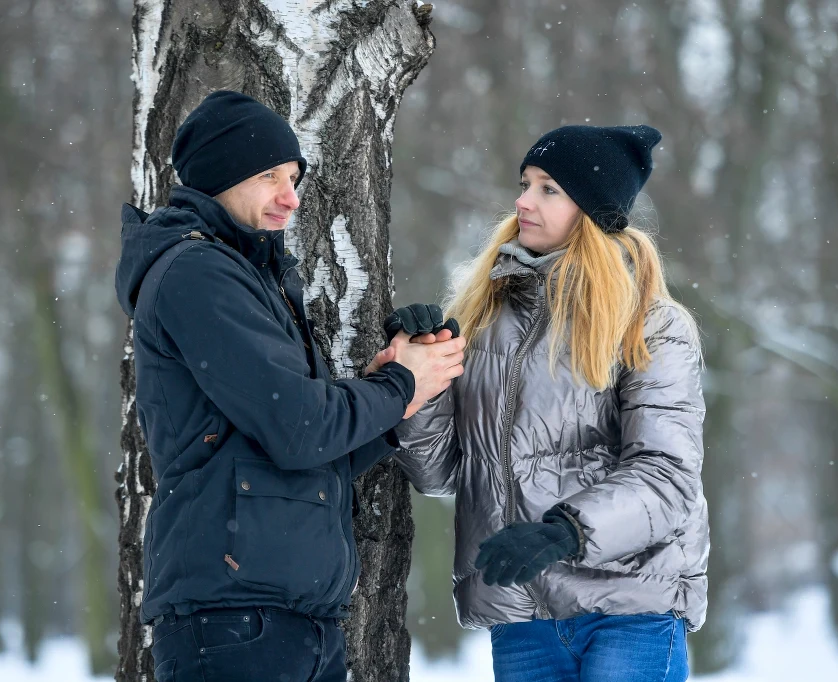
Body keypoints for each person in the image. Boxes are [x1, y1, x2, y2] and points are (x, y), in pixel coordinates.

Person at [113, 90, 466, 682]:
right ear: (221, 177)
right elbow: (302, 427)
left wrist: (404, 391)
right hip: (235, 621)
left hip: (283, 619)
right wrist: (401, 383)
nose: (291, 197)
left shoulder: (248, 274)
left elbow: (312, 454)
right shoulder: (197, 273)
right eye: (269, 175)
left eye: (295, 176)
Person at [385, 124, 709, 682]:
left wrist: (570, 531)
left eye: (547, 189)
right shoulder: (486, 317)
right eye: (525, 183)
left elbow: (668, 475)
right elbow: (440, 471)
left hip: (629, 607)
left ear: (591, 210)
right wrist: (418, 374)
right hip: (522, 617)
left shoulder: (650, 325)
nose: (522, 201)